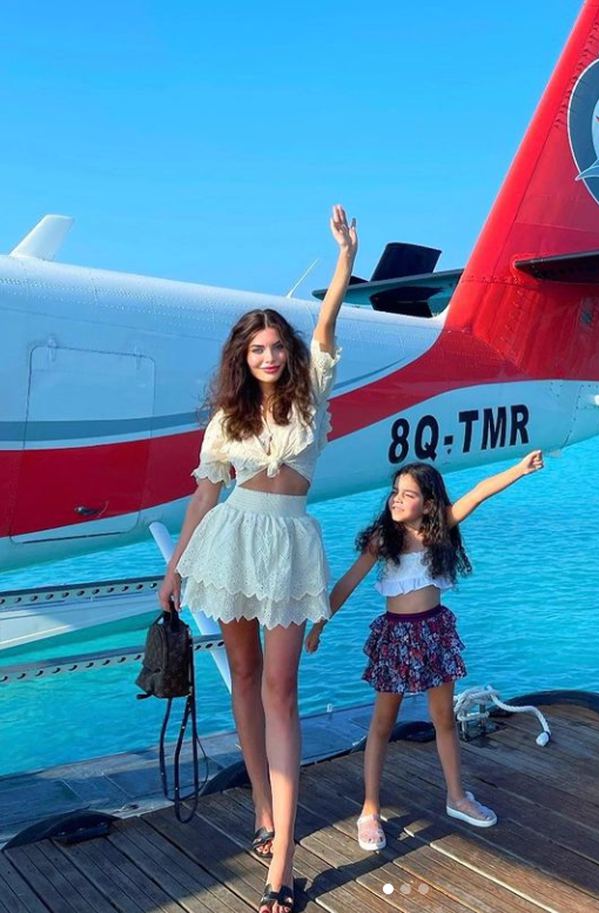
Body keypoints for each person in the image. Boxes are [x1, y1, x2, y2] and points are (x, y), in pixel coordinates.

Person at [159, 205, 358, 913]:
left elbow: (327, 328)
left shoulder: (311, 396)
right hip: (231, 542)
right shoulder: (227, 419)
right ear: (242, 359)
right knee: (242, 677)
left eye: (276, 347)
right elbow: (205, 494)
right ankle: (264, 813)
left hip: (289, 544)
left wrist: (344, 258)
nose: (269, 357)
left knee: (281, 690)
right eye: (257, 350)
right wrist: (175, 569)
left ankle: (283, 862)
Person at [304, 453, 544, 851]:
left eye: (408, 494)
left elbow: (478, 493)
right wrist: (320, 624)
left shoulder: (439, 530)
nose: (396, 499)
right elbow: (346, 583)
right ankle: (369, 809)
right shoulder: (383, 540)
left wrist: (519, 469)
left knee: (443, 719)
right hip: (396, 636)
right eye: (395, 492)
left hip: (434, 632)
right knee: (382, 723)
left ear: (429, 504)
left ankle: (457, 797)